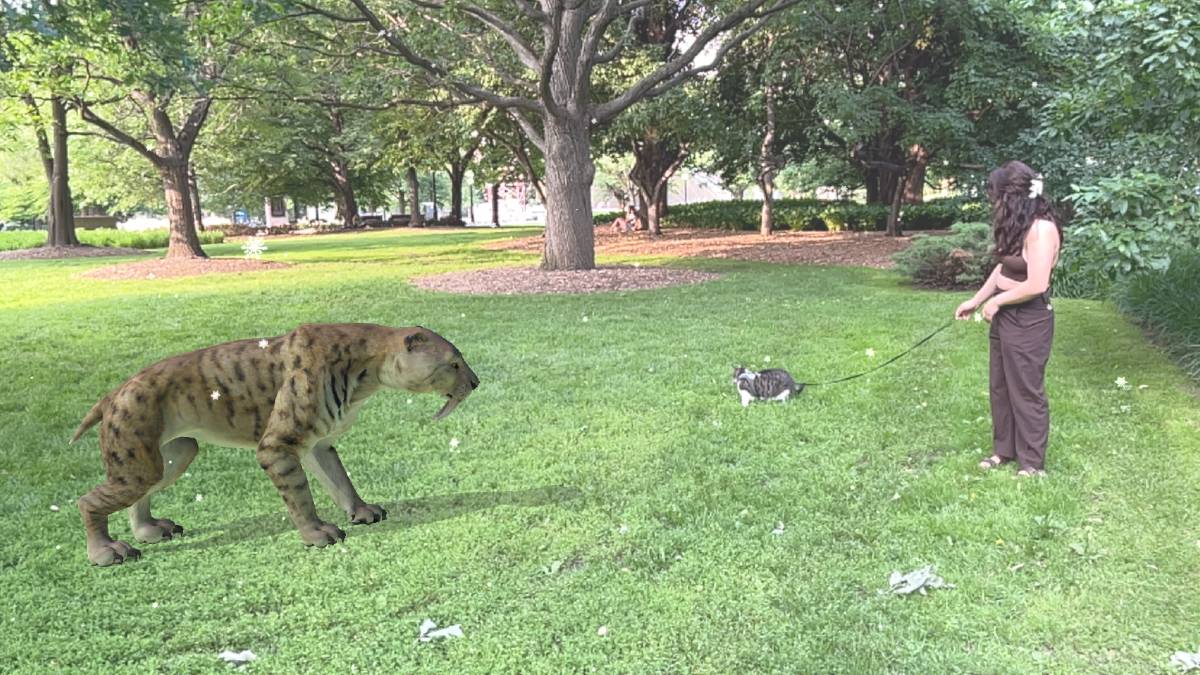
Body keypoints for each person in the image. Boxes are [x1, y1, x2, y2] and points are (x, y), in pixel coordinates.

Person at [954, 161, 1062, 477]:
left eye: (996, 196)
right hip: (1007, 318)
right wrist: (977, 300)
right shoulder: (1019, 224)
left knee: (1026, 390)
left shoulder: (1042, 229)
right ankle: (1004, 451)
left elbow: (1037, 284)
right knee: (1001, 386)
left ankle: (1032, 463)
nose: (994, 202)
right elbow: (1003, 269)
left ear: (1011, 195)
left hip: (1030, 320)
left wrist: (998, 301)